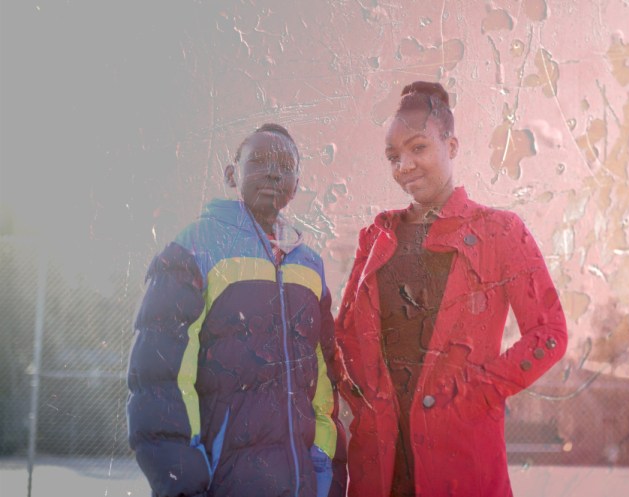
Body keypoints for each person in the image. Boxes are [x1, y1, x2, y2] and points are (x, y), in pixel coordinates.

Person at [334, 82, 568, 497]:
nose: (404, 165)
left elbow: (549, 333)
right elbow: (344, 340)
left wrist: (476, 394)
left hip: (464, 463)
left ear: (452, 145)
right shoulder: (375, 237)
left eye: (418, 148)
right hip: (378, 469)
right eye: (393, 156)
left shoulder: (500, 231)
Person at [126, 123, 347, 497]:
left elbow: (323, 386)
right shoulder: (193, 247)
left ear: (297, 182)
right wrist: (184, 482)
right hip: (221, 485)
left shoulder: (310, 265)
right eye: (259, 160)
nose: (274, 172)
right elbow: (159, 381)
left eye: (286, 165)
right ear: (231, 174)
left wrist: (324, 474)